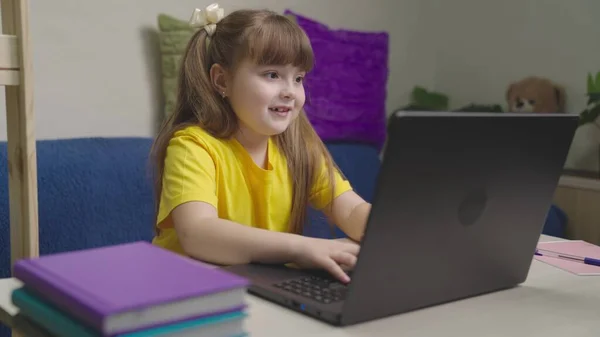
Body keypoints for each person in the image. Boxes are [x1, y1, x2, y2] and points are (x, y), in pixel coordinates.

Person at [150, 3, 371, 283]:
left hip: (257, 289)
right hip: (188, 292)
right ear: (222, 81)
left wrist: (386, 231)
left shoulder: (298, 147)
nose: (290, 91)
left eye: (299, 78)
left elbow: (350, 209)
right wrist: (303, 247)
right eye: (272, 75)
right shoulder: (192, 146)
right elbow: (198, 233)